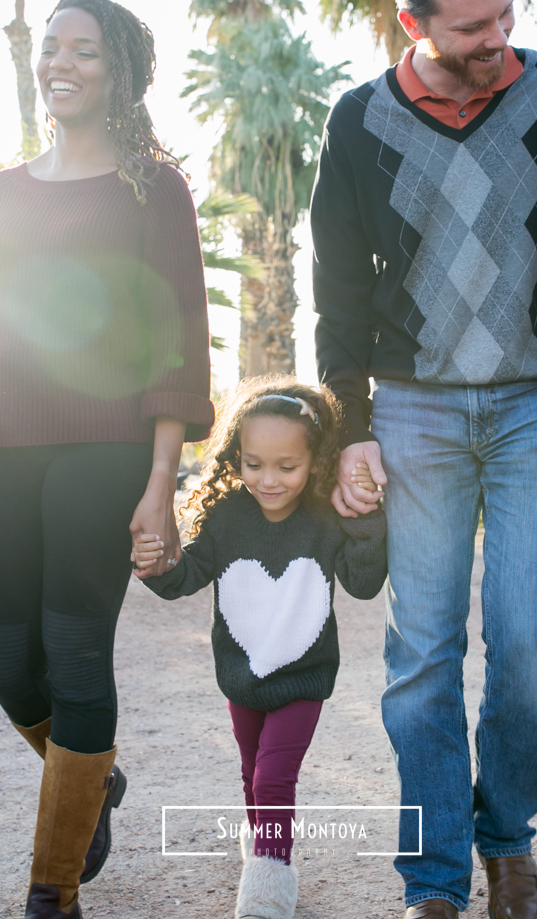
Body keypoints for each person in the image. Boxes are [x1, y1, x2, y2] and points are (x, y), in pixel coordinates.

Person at [310, 0, 537, 916]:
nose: (500, 38)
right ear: (412, 21)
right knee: (422, 657)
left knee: (531, 643)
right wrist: (350, 423)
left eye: (505, 13)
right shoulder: (357, 122)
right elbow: (336, 293)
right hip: (413, 415)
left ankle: (508, 834)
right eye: (473, 27)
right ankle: (437, 878)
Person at [0, 0, 213, 919]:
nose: (59, 63)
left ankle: (52, 890)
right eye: (52, 47)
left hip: (106, 450)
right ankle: (93, 778)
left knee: (74, 656)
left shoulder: (153, 187)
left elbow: (174, 343)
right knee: (6, 664)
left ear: (119, 72)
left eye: (83, 49)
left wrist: (162, 485)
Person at [131, 378, 388, 919]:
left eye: (286, 467)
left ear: (316, 461)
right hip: (241, 674)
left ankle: (269, 885)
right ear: (236, 457)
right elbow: (188, 575)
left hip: (305, 678)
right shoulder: (227, 516)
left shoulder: (326, 515)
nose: (267, 480)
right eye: (253, 464)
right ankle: (261, 844)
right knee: (251, 773)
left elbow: (363, 584)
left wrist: (364, 523)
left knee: (274, 775)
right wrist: (155, 566)